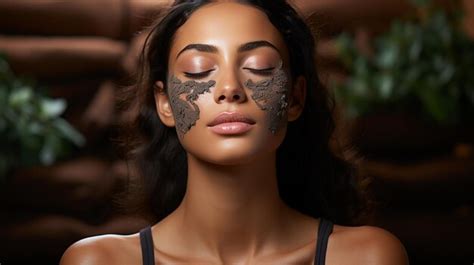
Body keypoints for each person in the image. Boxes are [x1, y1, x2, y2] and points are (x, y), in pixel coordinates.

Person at [60, 0, 409, 264]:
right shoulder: (100, 261)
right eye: (198, 70)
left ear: (295, 99)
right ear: (164, 103)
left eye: (259, 67)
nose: (230, 89)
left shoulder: (366, 257)